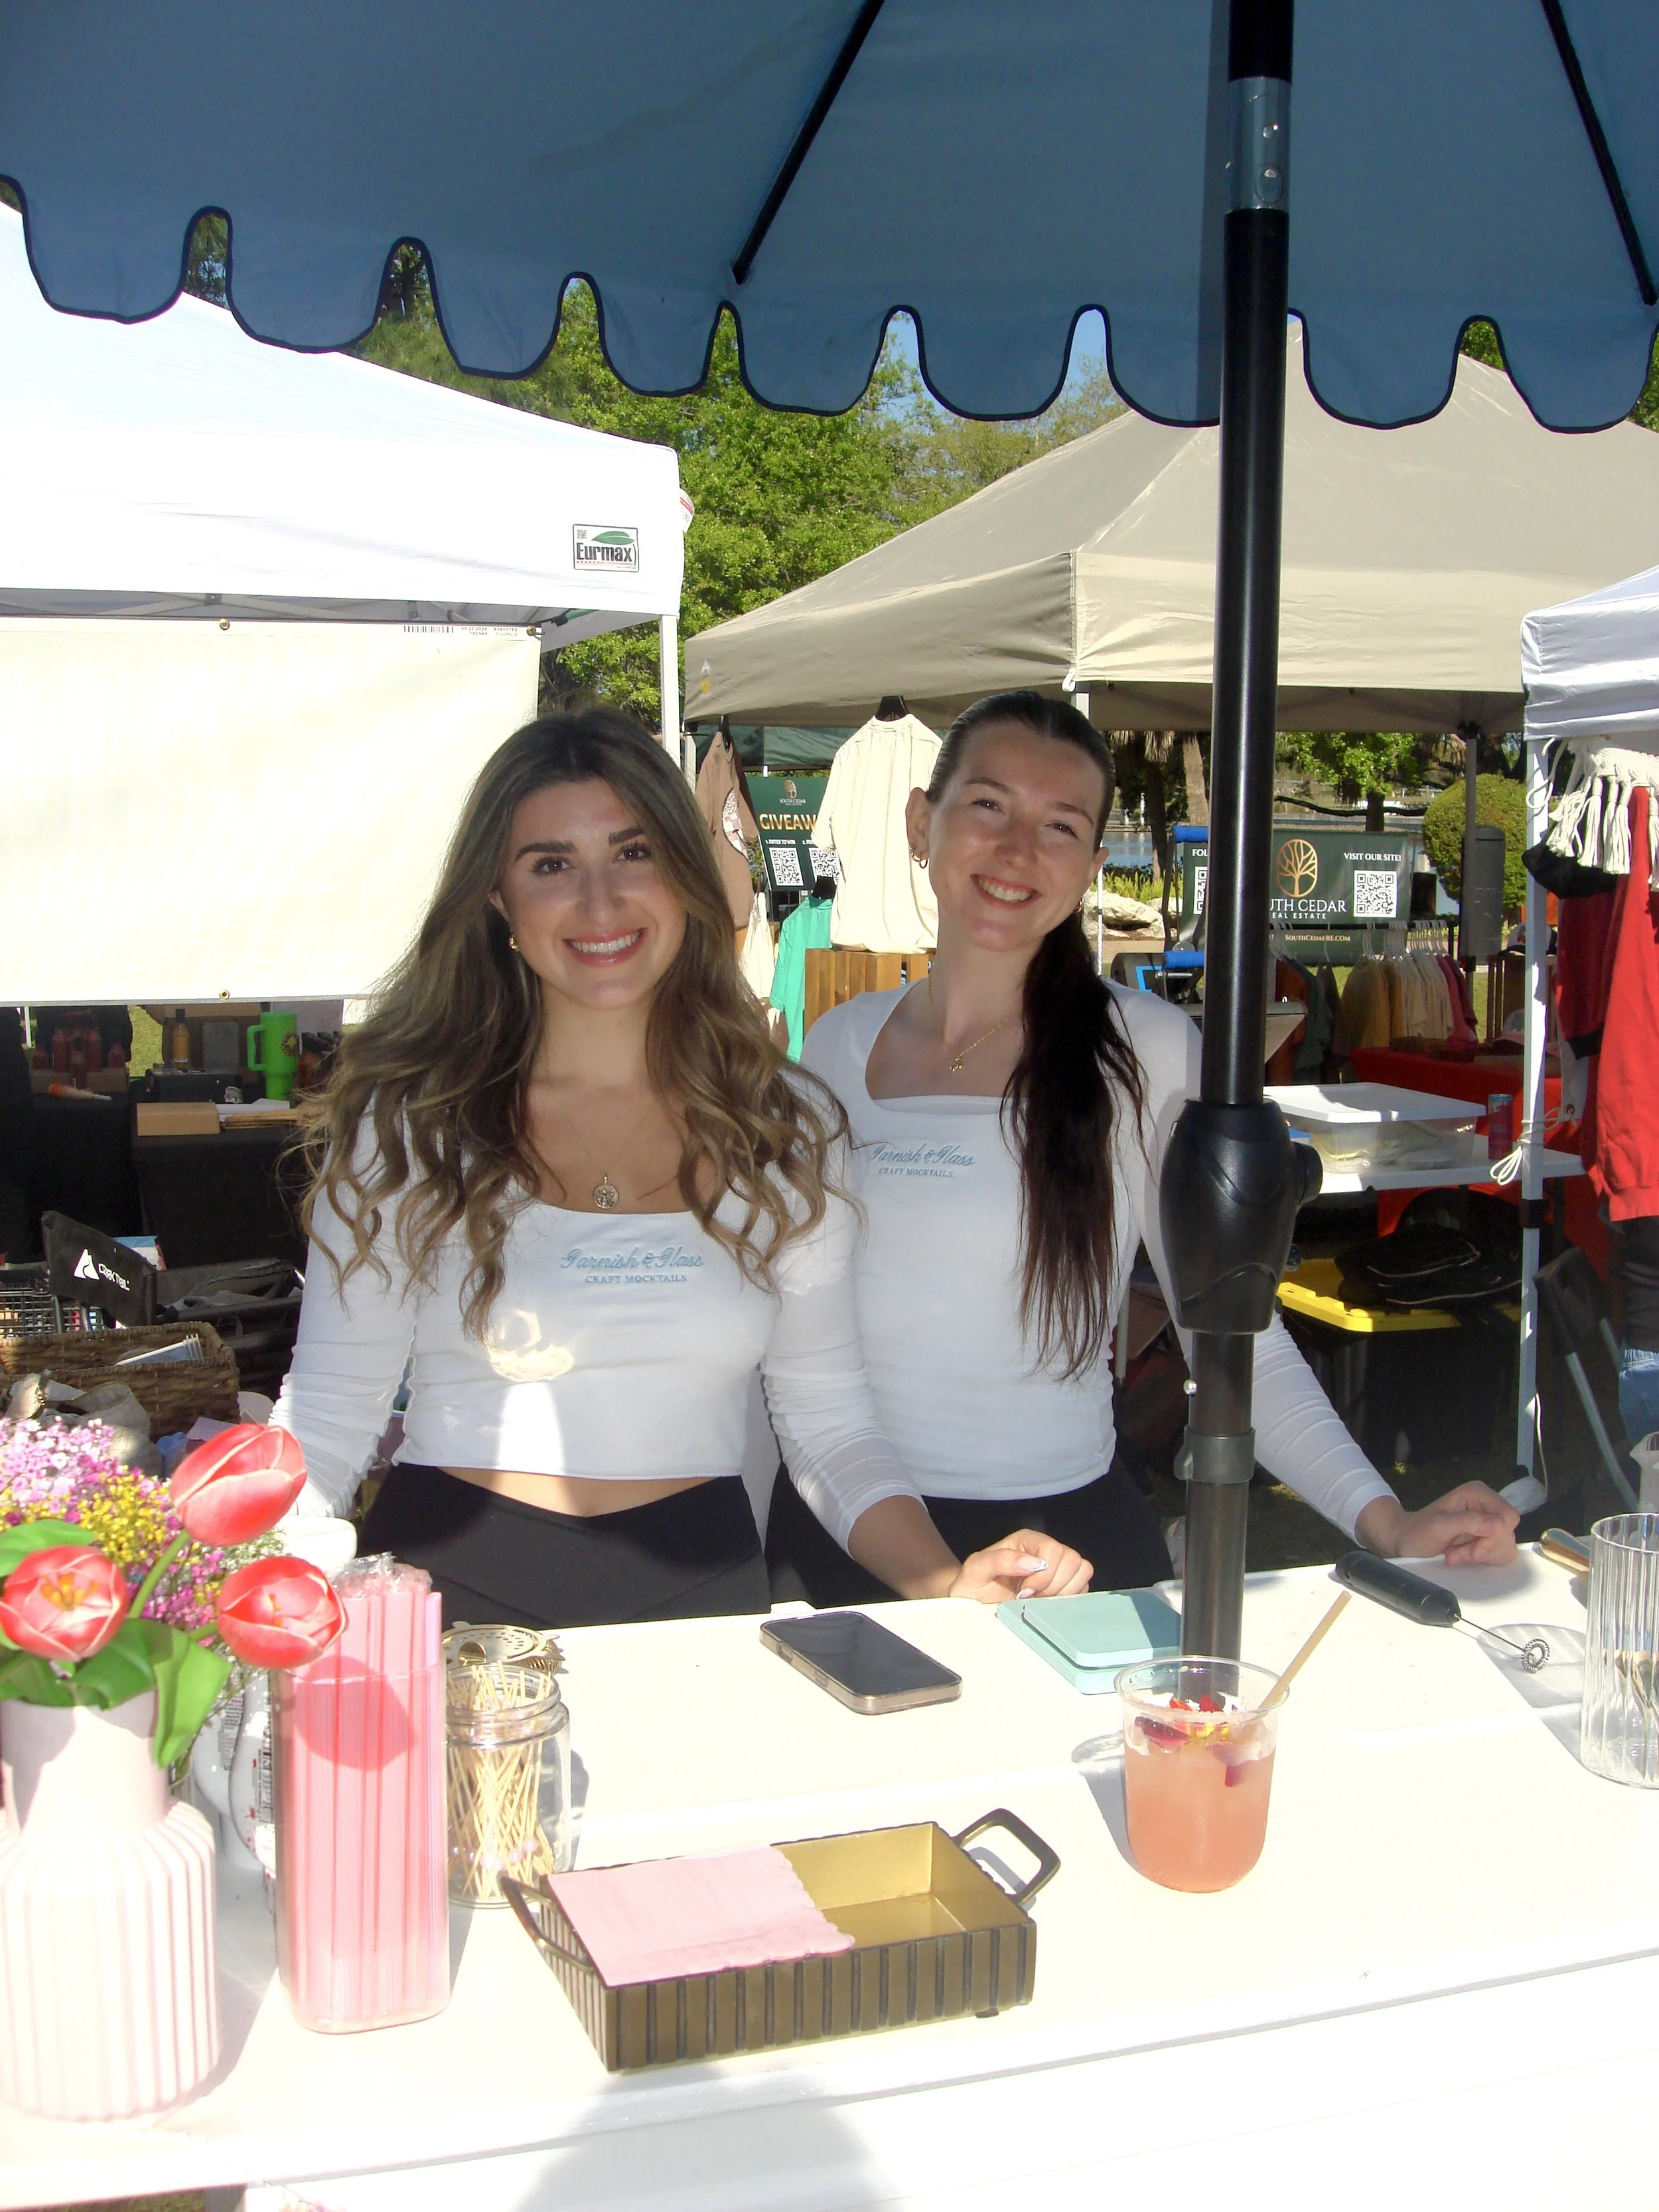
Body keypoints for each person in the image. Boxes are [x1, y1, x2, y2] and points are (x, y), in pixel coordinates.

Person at [273, 709, 1066, 1629]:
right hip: (451, 1596)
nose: (601, 902)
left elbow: (829, 1422)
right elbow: (329, 1416)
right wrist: (211, 1587)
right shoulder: (412, 1125)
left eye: (634, 853)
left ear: (686, 880)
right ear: (497, 899)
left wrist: (946, 1582)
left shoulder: (786, 1129)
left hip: (706, 1599)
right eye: (551, 865)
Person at [765, 692, 1521, 1605]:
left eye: (1060, 825)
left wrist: (1384, 1518)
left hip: (1066, 1551)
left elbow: (1233, 1330)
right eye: (989, 805)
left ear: (1089, 863)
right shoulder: (839, 1047)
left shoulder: (1147, 1051)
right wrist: (934, 1579)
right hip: (859, 1538)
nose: (1016, 850)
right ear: (924, 823)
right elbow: (806, 1370)